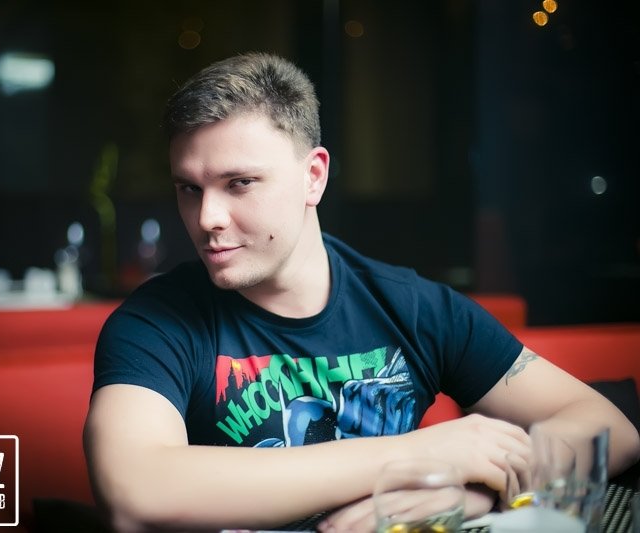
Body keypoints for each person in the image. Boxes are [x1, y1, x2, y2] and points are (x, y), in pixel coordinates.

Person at [83, 52, 640, 532]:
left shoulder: (411, 307)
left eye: (239, 183)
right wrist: (419, 457)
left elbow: (608, 427)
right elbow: (135, 492)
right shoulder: (156, 322)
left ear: (313, 177)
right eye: (189, 188)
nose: (207, 218)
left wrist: (468, 491)